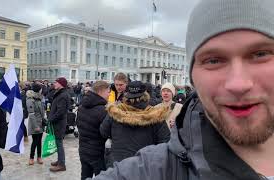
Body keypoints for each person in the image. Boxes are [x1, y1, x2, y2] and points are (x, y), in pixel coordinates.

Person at [90, 0, 274, 179]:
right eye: (213, 60)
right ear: (193, 77)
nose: (238, 84)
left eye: (261, 54)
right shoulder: (155, 169)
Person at [99, 81, 170, 166]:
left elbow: (103, 132)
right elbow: (165, 142)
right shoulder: (156, 116)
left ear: (126, 96)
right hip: (145, 166)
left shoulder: (115, 113)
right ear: (146, 96)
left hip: (118, 165)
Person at [77, 81, 110, 180]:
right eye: (108, 91)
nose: (109, 94)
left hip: (83, 149)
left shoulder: (82, 106)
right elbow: (106, 133)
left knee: (85, 175)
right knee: (101, 177)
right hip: (98, 152)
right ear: (101, 92)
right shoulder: (103, 110)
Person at [48, 77, 71, 172]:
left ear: (61, 84)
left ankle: (62, 164)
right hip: (57, 122)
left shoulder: (63, 95)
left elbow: (60, 112)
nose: (54, 84)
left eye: (56, 82)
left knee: (59, 143)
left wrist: (51, 119)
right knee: (58, 143)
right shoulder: (60, 93)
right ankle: (59, 160)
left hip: (59, 123)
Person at [26, 83, 44, 165]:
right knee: (35, 141)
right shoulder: (30, 99)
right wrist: (36, 126)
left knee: (39, 141)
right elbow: (31, 114)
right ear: (39, 90)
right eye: (41, 89)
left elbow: (42, 112)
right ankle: (31, 157)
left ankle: (39, 157)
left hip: (40, 123)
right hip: (35, 124)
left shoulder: (39, 98)